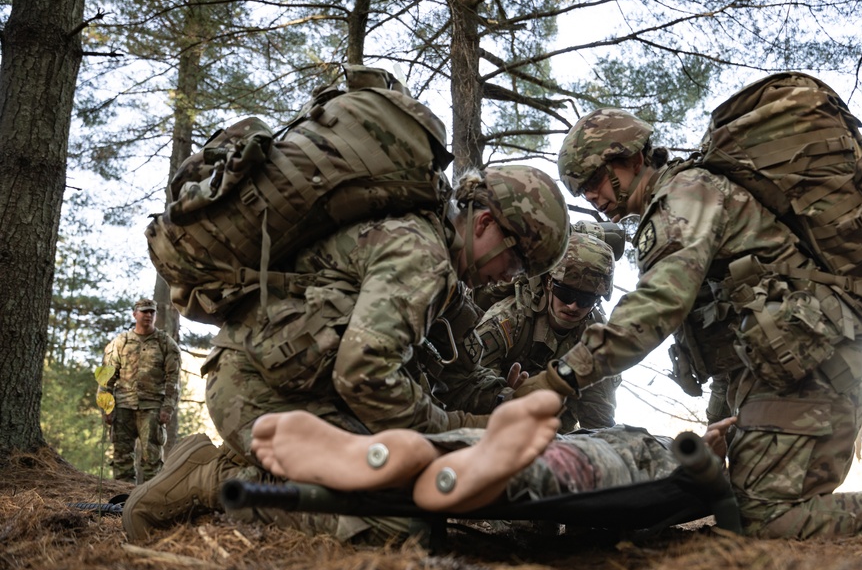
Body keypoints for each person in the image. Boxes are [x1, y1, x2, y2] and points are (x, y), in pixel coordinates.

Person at [506, 106, 862, 540]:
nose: (591, 195)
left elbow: (655, 307)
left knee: (764, 519)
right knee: (740, 506)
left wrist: (558, 380)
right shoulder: (683, 197)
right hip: (784, 369)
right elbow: (719, 324)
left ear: (631, 157)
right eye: (579, 187)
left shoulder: (685, 194)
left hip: (812, 369)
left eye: (594, 178)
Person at [122, 164, 571, 542]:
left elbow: (456, 375)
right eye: (514, 263)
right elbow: (366, 377)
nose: (506, 279)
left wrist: (501, 405)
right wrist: (463, 430)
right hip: (256, 390)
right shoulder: (421, 254)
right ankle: (211, 479)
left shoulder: (445, 274)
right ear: (486, 224)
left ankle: (250, 462)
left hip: (299, 392)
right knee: (395, 525)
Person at [250, 390, 737, 515]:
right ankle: (456, 466)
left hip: (635, 452)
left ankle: (431, 455)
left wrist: (704, 455)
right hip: (622, 449)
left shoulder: (681, 464)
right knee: (563, 461)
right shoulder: (669, 459)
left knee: (539, 453)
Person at [474, 231, 620, 432]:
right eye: (565, 293)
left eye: (586, 299)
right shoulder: (510, 317)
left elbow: (599, 419)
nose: (573, 306)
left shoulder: (596, 342)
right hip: (489, 421)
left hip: (550, 435)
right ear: (548, 283)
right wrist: (505, 397)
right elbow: (469, 384)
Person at [97, 298, 181, 484]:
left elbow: (173, 380)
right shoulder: (120, 343)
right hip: (123, 406)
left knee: (152, 459)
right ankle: (122, 500)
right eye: (144, 311)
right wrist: (106, 408)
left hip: (152, 407)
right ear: (135, 314)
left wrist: (167, 408)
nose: (148, 315)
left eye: (152, 312)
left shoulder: (165, 343)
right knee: (122, 457)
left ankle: (149, 501)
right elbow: (106, 378)